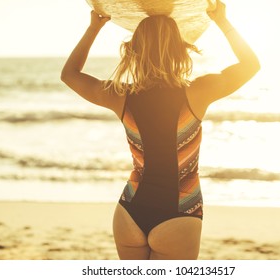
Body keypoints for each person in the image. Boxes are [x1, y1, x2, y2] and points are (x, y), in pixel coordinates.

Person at [61, 1, 259, 260]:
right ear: (180, 49)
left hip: (130, 211)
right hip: (179, 214)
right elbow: (251, 65)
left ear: (134, 51)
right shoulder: (198, 92)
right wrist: (222, 21)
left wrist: (94, 28)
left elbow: (70, 74)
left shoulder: (120, 95)